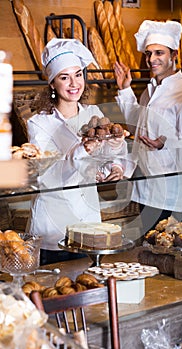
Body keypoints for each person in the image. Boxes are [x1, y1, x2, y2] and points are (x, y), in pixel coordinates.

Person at [27, 38, 128, 265]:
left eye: (78, 74)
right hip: (52, 226)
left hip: (88, 224)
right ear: (52, 83)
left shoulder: (93, 112)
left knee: (87, 288)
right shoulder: (39, 123)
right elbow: (47, 176)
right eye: (65, 77)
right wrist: (82, 149)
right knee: (53, 293)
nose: (74, 83)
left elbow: (111, 153)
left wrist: (115, 165)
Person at [114, 20, 182, 236]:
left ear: (174, 55)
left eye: (159, 53)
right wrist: (125, 89)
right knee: (149, 251)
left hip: (173, 193)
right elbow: (138, 126)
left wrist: (164, 144)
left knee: (169, 250)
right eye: (148, 54)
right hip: (147, 190)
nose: (151, 59)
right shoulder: (151, 90)